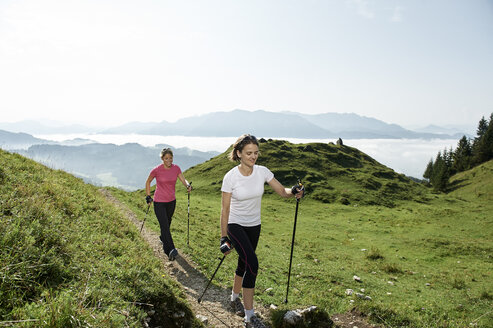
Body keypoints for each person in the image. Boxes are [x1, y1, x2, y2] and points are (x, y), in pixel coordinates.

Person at [219, 134, 304, 328]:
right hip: (235, 225)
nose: (253, 156)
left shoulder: (263, 172)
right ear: (239, 153)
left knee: (244, 261)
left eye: (256, 153)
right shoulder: (230, 177)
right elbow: (225, 210)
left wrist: (295, 190)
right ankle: (250, 317)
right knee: (253, 264)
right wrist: (223, 237)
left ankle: (234, 298)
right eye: (249, 153)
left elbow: (283, 192)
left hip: (254, 225)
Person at [145, 148, 192, 261]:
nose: (169, 160)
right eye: (166, 158)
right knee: (164, 225)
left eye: (170, 158)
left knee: (168, 222)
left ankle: (162, 237)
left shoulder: (176, 168)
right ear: (162, 159)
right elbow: (148, 182)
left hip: (171, 201)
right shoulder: (157, 170)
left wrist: (187, 185)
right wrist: (148, 196)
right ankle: (170, 249)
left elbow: (183, 179)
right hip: (159, 202)